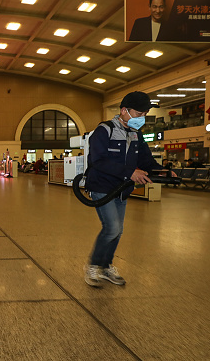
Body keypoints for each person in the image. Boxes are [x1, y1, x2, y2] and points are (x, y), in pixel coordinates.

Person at [83, 91, 176, 287]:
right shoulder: (104, 130)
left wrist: (164, 171)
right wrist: (130, 172)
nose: (142, 118)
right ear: (124, 111)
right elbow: (97, 161)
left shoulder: (136, 134)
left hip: (123, 189)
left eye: (145, 114)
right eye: (139, 113)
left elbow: (146, 160)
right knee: (112, 228)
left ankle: (106, 267)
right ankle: (93, 266)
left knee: (118, 231)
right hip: (102, 187)